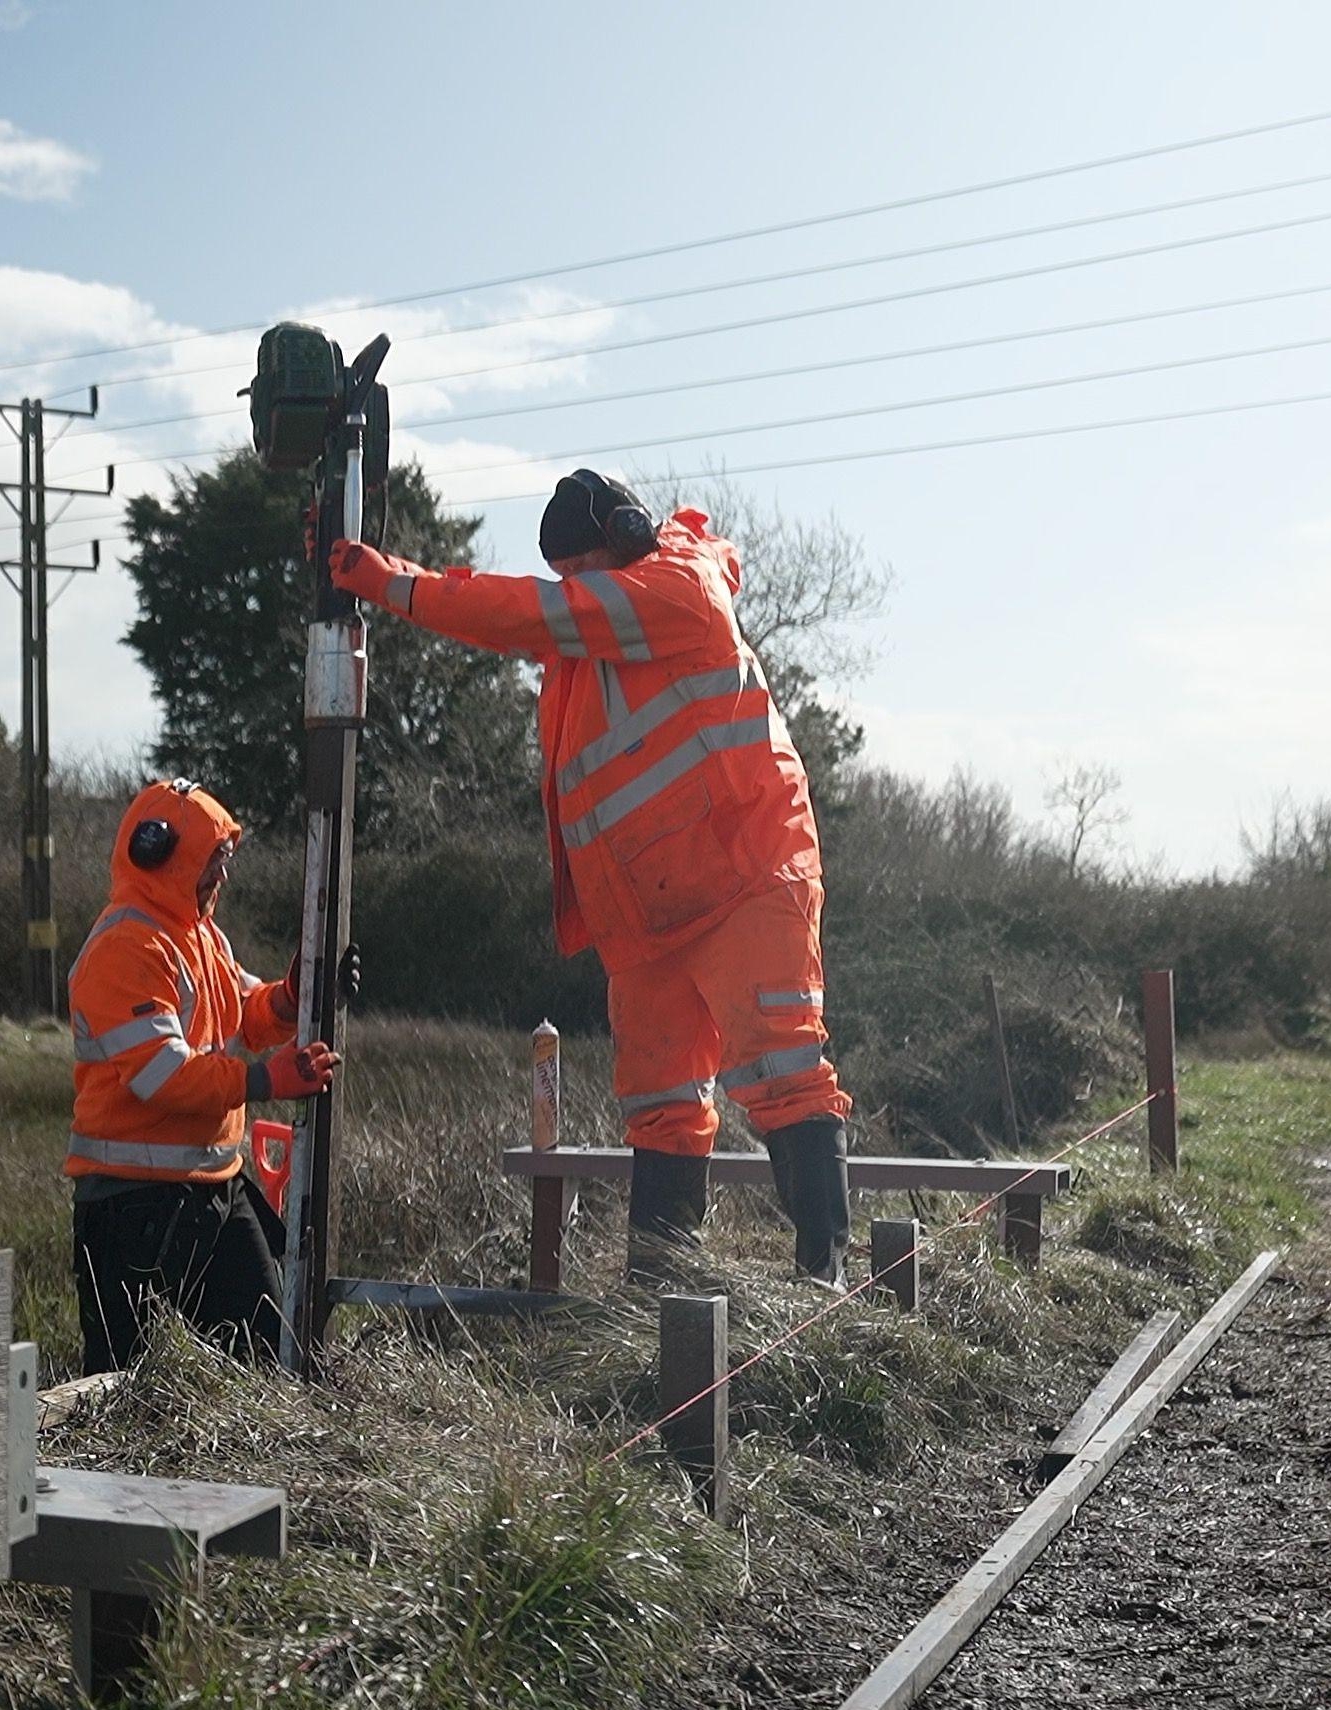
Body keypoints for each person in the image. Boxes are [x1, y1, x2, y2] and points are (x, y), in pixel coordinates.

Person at [326, 467, 852, 1283]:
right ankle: (658, 1296)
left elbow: (515, 614)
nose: (572, 591)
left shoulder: (677, 589)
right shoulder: (591, 642)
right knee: (659, 1106)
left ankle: (826, 1284)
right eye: (565, 578)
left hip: (745, 875)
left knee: (783, 1074)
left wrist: (391, 581)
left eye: (579, 572)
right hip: (650, 917)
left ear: (627, 540)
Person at [62, 777, 356, 1373]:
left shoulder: (200, 938)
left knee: (275, 1364)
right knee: (125, 1391)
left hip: (211, 1193)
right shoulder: (126, 946)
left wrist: (294, 996)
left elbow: (245, 1013)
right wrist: (265, 1082)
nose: (220, 877)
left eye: (223, 861)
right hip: (130, 1213)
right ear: (165, 857)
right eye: (211, 862)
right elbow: (162, 1074)